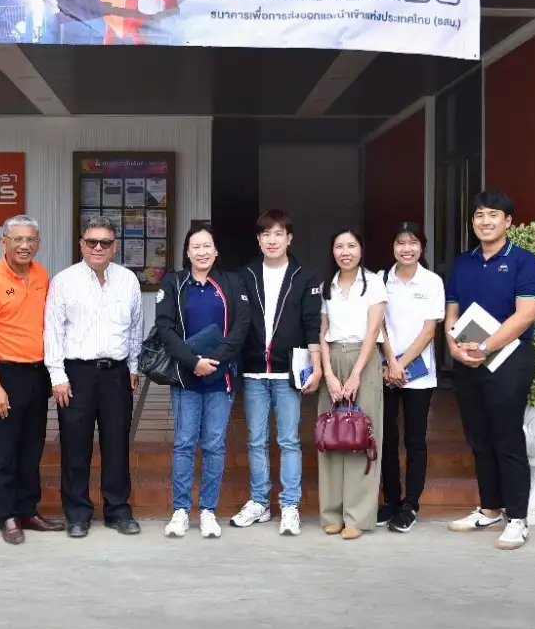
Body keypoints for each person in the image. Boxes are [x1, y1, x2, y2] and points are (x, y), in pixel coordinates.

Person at [444, 190, 535, 551]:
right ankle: (489, 509)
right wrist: (455, 347)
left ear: (508, 221)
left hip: (510, 358)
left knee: (506, 437)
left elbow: (526, 314)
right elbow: (452, 313)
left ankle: (517, 519)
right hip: (469, 359)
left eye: (493, 215)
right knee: (479, 437)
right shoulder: (463, 263)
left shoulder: (523, 261)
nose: (485, 222)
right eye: (479, 215)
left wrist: (485, 347)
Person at [44, 216, 144, 538]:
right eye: (92, 242)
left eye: (105, 242)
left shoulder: (128, 280)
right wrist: (57, 375)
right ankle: (77, 514)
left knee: (117, 444)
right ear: (81, 245)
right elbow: (53, 331)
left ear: (114, 247)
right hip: (76, 374)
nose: (98, 247)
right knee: (75, 445)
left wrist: (133, 368)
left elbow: (136, 328)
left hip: (116, 373)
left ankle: (118, 510)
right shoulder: (64, 281)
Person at [0, 215, 63, 546]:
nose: (25, 246)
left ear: (38, 243)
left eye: (31, 240)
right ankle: (7, 515)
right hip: (5, 374)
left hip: (37, 374)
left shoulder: (41, 275)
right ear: (4, 242)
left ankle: (27, 510)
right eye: (18, 239)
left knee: (32, 447)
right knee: (5, 450)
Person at [155, 223, 251, 538]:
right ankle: (181, 510)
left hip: (220, 378)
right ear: (187, 252)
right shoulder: (174, 282)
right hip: (186, 377)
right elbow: (165, 328)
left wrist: (215, 361)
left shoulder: (231, 282)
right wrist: (193, 361)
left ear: (216, 250)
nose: (202, 252)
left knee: (214, 444)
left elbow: (241, 325)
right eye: (195, 246)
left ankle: (208, 510)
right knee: (184, 443)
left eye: (207, 245)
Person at [233, 209, 322, 536]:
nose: (272, 240)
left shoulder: (304, 277)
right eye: (266, 234)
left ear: (289, 238)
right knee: (256, 441)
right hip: (254, 372)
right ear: (259, 240)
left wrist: (317, 366)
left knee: (289, 441)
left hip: (288, 373)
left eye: (278, 234)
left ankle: (290, 506)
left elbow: (312, 324)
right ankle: (259, 502)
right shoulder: (244, 275)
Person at [317, 228, 388, 539]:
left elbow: (373, 331)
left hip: (364, 359)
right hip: (333, 359)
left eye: (351, 245)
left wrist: (357, 373)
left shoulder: (373, 283)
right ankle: (332, 513)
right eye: (339, 246)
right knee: (331, 434)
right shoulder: (326, 286)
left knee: (362, 436)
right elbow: (322, 333)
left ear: (361, 249)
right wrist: (329, 374)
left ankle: (357, 517)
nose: (345, 252)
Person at [377, 221, 445, 534]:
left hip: (419, 375)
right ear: (393, 247)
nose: (407, 248)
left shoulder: (432, 282)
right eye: (401, 242)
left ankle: (410, 504)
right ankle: (390, 500)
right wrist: (391, 362)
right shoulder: (381, 280)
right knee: (387, 438)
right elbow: (378, 325)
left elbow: (429, 331)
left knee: (415, 440)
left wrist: (401, 364)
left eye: (413, 242)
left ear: (422, 247)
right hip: (386, 370)